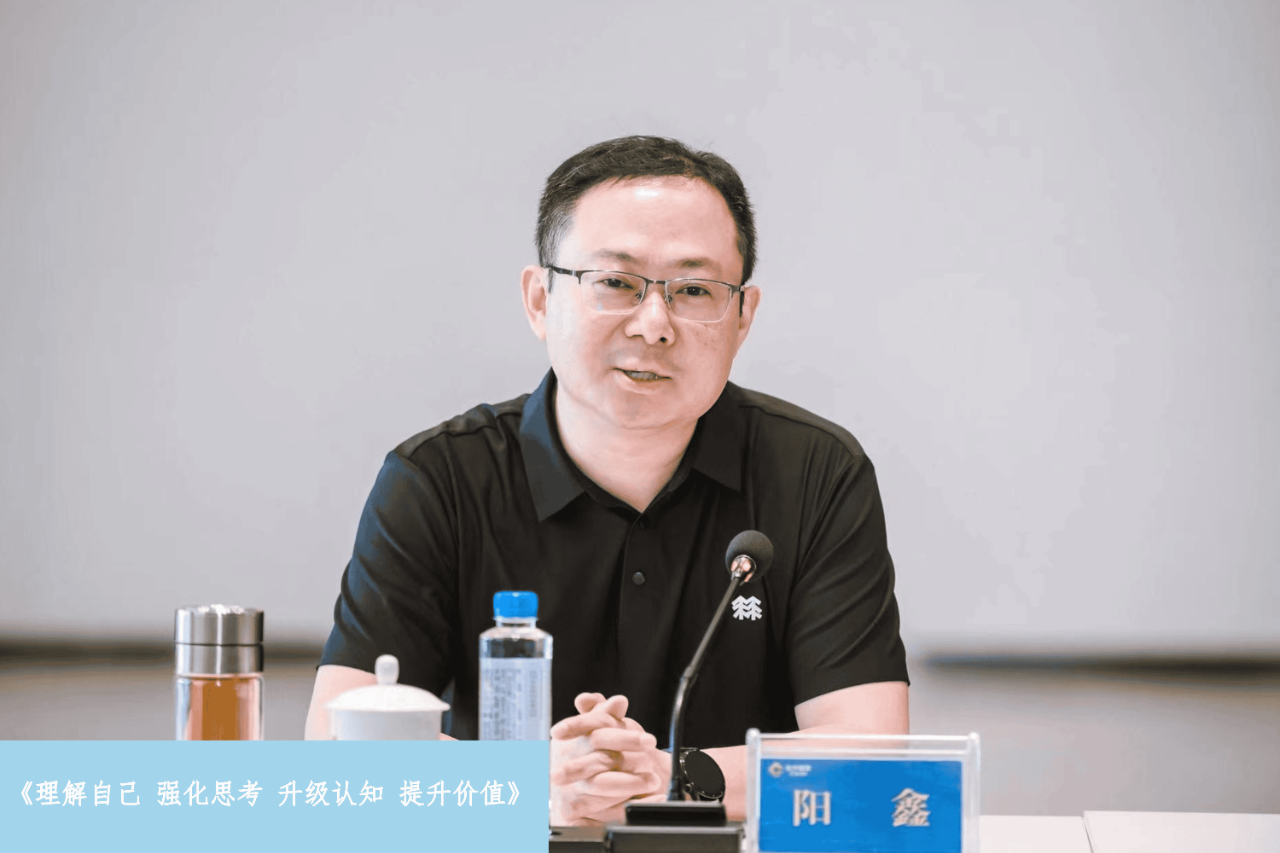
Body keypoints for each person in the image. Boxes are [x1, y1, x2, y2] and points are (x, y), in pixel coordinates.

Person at [303, 135, 909, 825]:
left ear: (743, 317)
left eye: (694, 290)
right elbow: (336, 742)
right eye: (617, 283)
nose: (653, 325)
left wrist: (670, 778)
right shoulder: (440, 480)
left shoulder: (816, 474)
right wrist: (534, 783)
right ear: (540, 299)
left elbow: (873, 751)